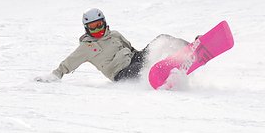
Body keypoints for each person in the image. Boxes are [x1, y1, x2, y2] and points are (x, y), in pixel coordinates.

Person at [34, 8, 188, 83]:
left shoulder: (115, 34)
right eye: (92, 27)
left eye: (99, 25)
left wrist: (148, 54)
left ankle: (189, 50)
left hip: (134, 59)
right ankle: (166, 72)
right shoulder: (87, 47)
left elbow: (132, 49)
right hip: (120, 73)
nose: (97, 30)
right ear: (86, 28)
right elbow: (68, 63)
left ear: (105, 23)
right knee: (144, 68)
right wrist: (54, 75)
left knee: (162, 39)